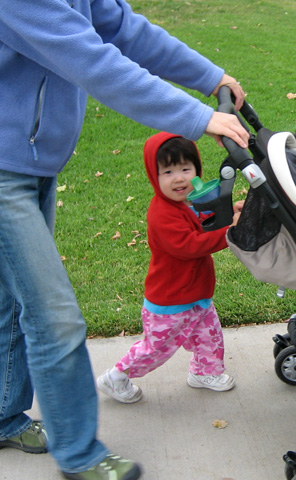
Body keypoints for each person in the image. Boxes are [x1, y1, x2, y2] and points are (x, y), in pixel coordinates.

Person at [0, 1, 250, 479]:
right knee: (53, 317)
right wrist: (198, 117)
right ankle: (79, 456)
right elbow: (91, 60)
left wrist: (210, 75)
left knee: (12, 300)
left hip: (33, 163)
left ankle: (4, 416)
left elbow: (124, 29)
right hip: (4, 169)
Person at [97, 133, 240, 404]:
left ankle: (205, 372)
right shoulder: (162, 214)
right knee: (156, 350)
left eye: (186, 169)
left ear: (197, 170)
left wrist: (230, 213)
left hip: (196, 294)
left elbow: (204, 219)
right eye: (168, 171)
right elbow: (190, 245)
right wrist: (229, 233)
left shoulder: (187, 203)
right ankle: (116, 377)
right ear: (154, 175)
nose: (179, 178)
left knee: (209, 335)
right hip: (170, 302)